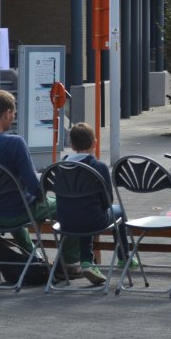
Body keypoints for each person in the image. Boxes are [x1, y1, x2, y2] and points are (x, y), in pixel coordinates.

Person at [0, 90, 83, 281]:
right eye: (13, 113)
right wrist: (48, 191)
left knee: (15, 201)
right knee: (71, 205)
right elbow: (34, 188)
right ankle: (69, 263)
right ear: (6, 113)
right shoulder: (15, 143)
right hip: (16, 212)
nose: (13, 117)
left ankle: (32, 255)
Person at [58, 122, 132, 285]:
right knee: (116, 210)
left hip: (65, 221)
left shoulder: (61, 165)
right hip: (92, 219)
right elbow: (108, 201)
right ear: (94, 143)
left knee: (83, 210)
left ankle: (86, 261)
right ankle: (124, 257)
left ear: (71, 145)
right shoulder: (98, 167)